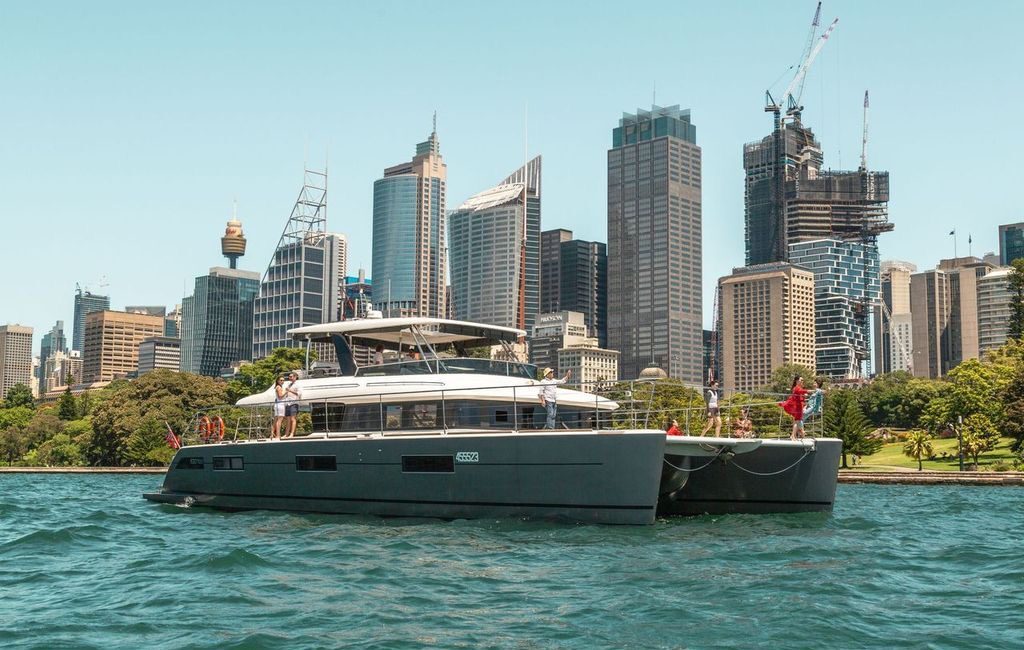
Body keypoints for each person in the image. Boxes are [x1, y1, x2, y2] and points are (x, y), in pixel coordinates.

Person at [779, 375, 811, 441]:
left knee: (797, 421)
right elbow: (802, 391)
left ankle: (797, 434)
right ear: (797, 381)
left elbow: (801, 394)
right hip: (797, 407)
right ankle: (794, 435)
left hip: (798, 407)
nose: (802, 381)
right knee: (797, 421)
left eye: (803, 380)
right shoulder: (797, 388)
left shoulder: (797, 388)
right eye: (801, 380)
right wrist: (814, 391)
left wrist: (804, 395)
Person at [284, 372, 302, 438]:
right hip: (287, 403)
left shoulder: (297, 385)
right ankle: (286, 434)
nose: (290, 378)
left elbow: (299, 394)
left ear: (295, 377)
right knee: (287, 419)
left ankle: (292, 434)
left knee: (293, 419)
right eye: (289, 377)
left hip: (294, 403)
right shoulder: (289, 385)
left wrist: (290, 390)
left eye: (291, 377)